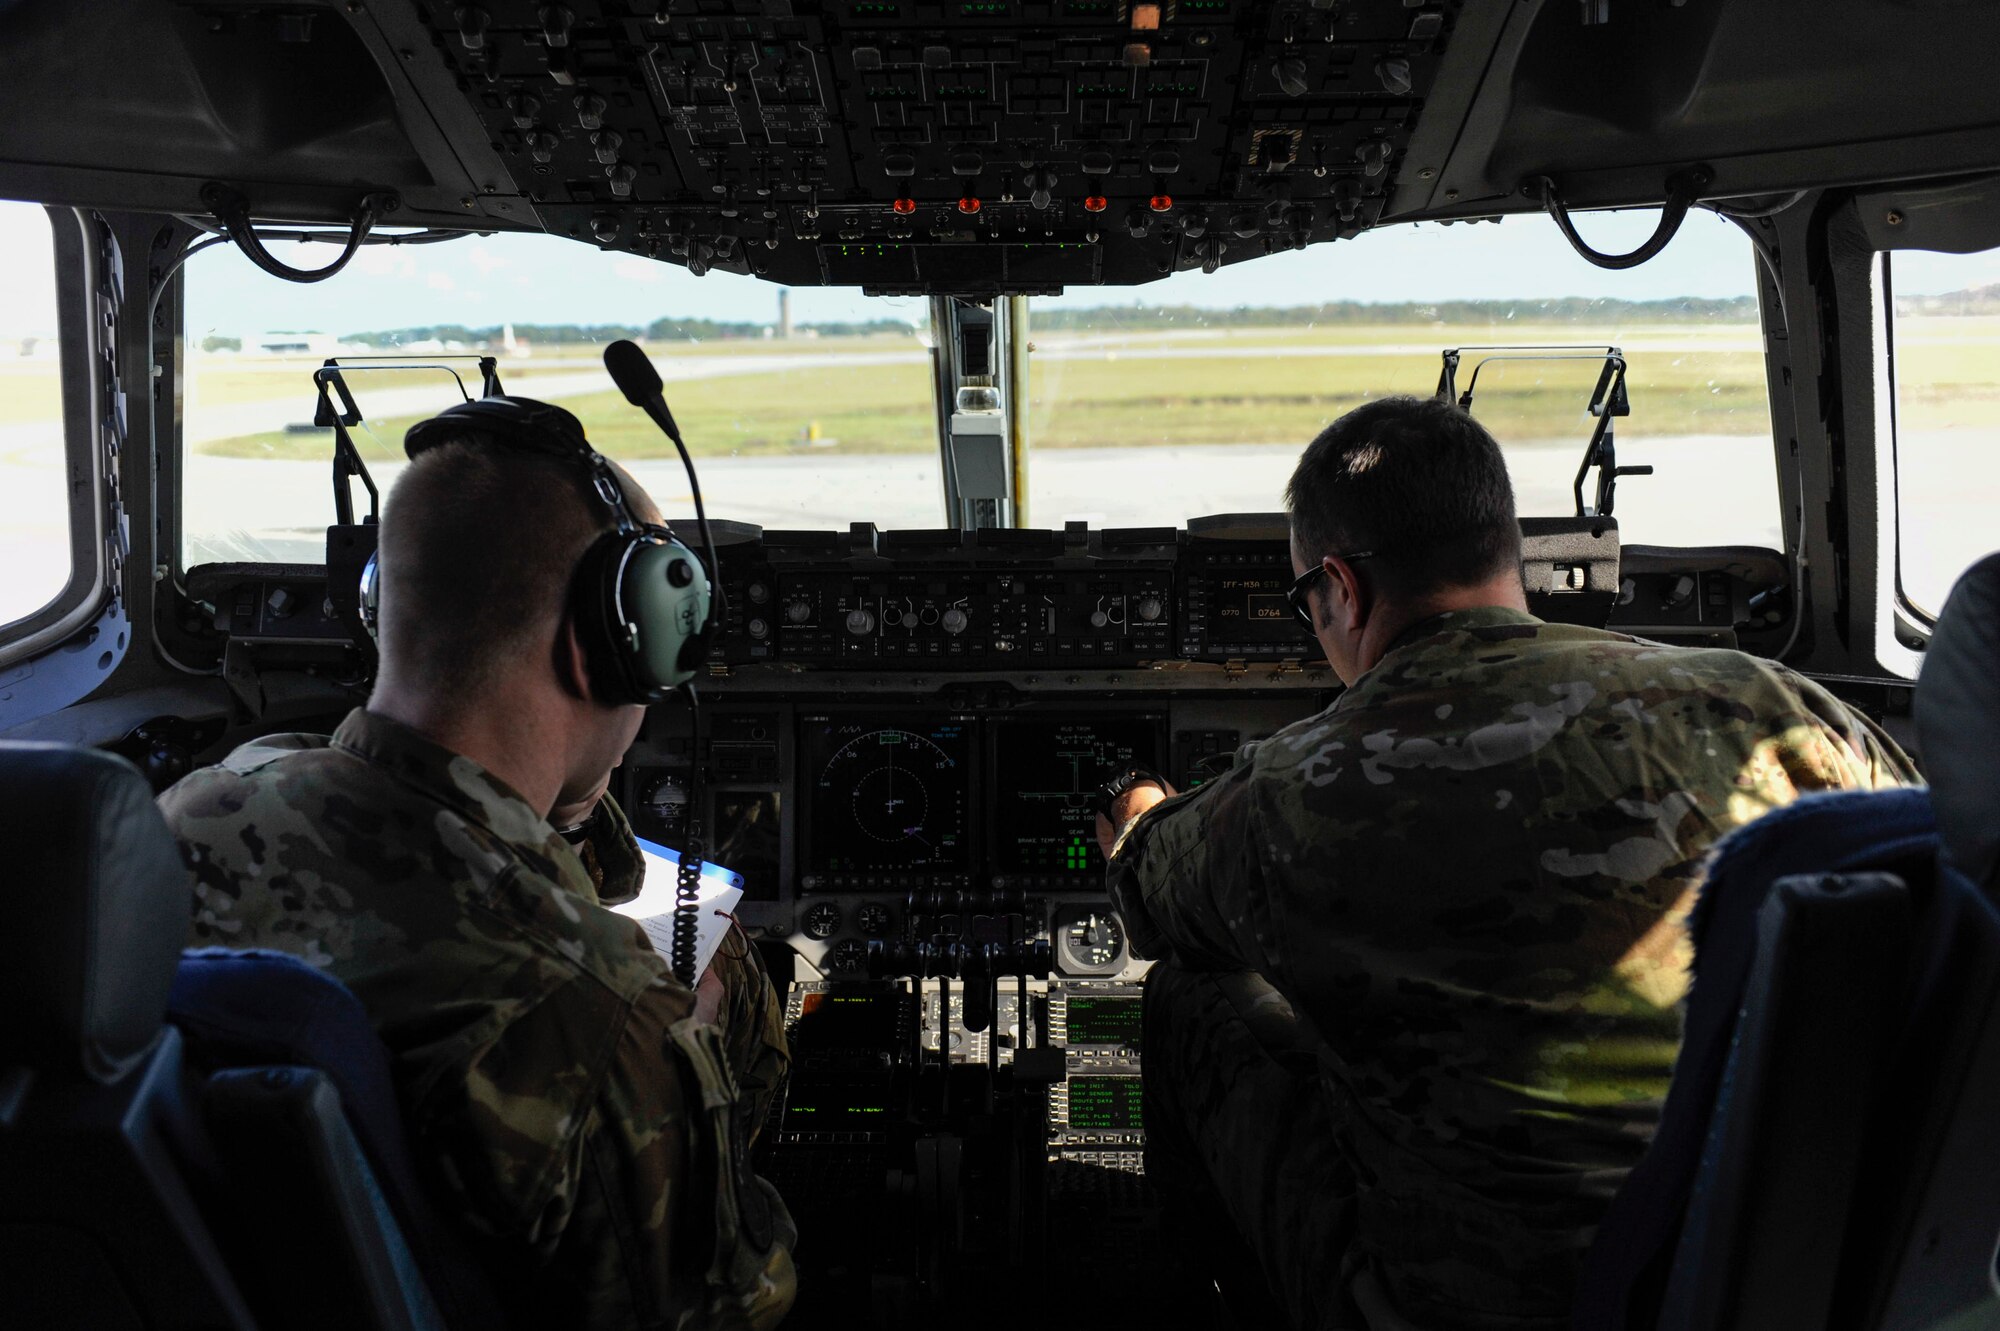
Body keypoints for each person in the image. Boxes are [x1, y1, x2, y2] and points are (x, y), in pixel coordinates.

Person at [1096, 395, 1916, 1330]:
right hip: (1763, 1286)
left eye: (1305, 602)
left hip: (1461, 1306)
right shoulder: (1772, 706)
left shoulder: (1292, 791)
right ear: (1505, 546)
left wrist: (1139, 809)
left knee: (1185, 994)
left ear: (1341, 588)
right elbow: (1936, 882)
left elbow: (1148, 895)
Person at [160, 400, 795, 1330]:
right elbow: (732, 1301)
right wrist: (693, 1051)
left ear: (388, 604)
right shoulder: (595, 1017)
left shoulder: (190, 813)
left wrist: (569, 818)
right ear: (611, 644)